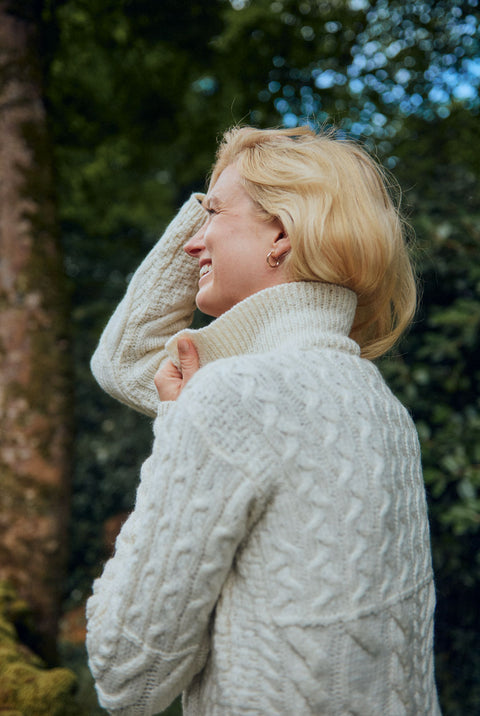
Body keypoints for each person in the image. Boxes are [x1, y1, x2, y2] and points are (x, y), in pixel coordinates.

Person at [86, 126, 441, 715]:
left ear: (282, 233)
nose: (191, 244)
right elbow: (125, 364)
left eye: (211, 214)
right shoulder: (380, 407)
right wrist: (225, 196)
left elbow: (128, 676)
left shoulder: (234, 396)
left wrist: (178, 425)